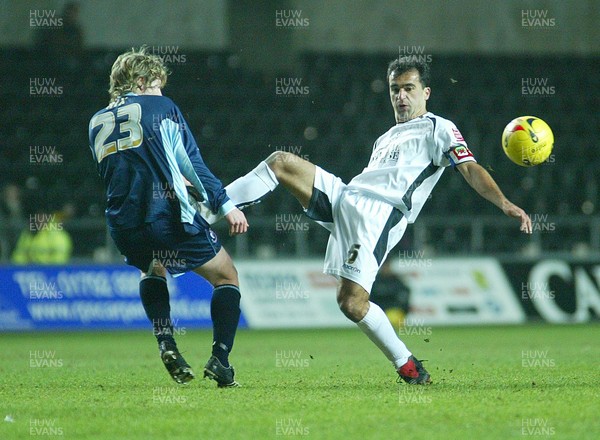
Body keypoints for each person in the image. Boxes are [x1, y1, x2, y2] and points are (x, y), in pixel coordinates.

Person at [198, 57, 532, 385]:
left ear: (426, 92)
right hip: (347, 197)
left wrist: (503, 203)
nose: (401, 96)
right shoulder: (385, 138)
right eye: (395, 89)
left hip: (378, 214)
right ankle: (206, 211)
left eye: (409, 89)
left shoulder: (439, 128)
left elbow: (470, 168)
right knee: (280, 162)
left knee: (351, 303)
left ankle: (407, 365)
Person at [88, 47, 249, 387]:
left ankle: (166, 343)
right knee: (226, 276)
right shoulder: (162, 107)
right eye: (158, 85)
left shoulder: (97, 121)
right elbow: (192, 160)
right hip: (165, 214)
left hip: (122, 222)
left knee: (153, 267)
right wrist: (225, 204)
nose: (162, 93)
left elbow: (134, 165)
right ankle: (220, 359)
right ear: (142, 81)